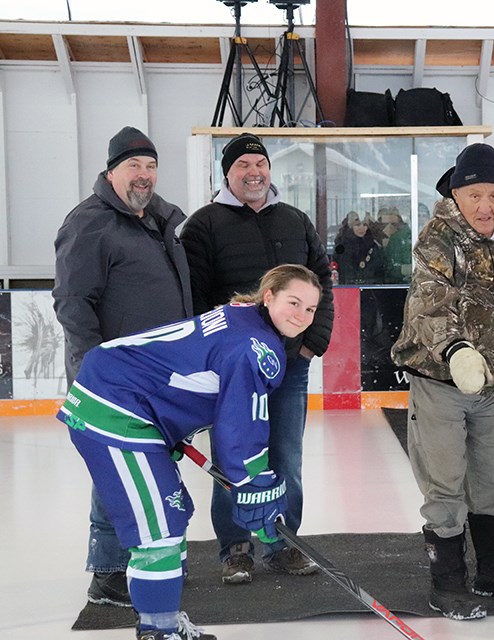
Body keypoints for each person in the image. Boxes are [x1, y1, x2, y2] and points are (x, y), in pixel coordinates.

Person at [58, 264, 322, 640]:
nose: (302, 315)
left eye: (310, 309)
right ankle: (158, 630)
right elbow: (240, 428)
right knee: (159, 525)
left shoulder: (243, 316)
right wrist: (254, 481)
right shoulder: (254, 347)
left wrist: (168, 420)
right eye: (294, 302)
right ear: (269, 296)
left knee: (175, 508)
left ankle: (164, 618)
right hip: (115, 408)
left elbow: (186, 365)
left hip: (130, 400)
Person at [391, 143, 494, 620]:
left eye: (493, 193)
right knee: (445, 482)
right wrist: (457, 351)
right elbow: (428, 305)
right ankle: (448, 583)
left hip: (493, 384)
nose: (485, 205)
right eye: (475, 194)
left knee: (493, 478)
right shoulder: (438, 238)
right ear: (457, 194)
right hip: (441, 380)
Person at [179, 133, 335, 584]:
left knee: (285, 456)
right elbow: (194, 296)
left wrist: (312, 342)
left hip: (289, 364)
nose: (254, 171)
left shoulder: (295, 220)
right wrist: (211, 358)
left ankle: (283, 544)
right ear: (226, 174)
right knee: (234, 457)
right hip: (233, 372)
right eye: (243, 164)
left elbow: (321, 282)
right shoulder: (203, 225)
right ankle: (236, 549)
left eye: (260, 163)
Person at [53, 126, 193, 609]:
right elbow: (73, 304)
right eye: (133, 165)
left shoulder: (162, 220)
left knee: (156, 468)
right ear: (112, 171)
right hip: (117, 378)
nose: (144, 175)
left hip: (165, 374)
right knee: (115, 469)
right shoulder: (89, 224)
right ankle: (110, 571)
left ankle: (153, 555)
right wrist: (94, 375)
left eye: (150, 166)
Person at [334, 212, 388, 284]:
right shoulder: (342, 246)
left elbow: (380, 271)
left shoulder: (373, 246)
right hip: (347, 289)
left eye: (365, 225)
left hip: (371, 289)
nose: (361, 228)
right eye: (357, 224)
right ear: (350, 226)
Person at [377, 206, 414, 283]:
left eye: (394, 224)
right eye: (384, 224)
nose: (389, 228)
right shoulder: (372, 244)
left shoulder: (409, 238)